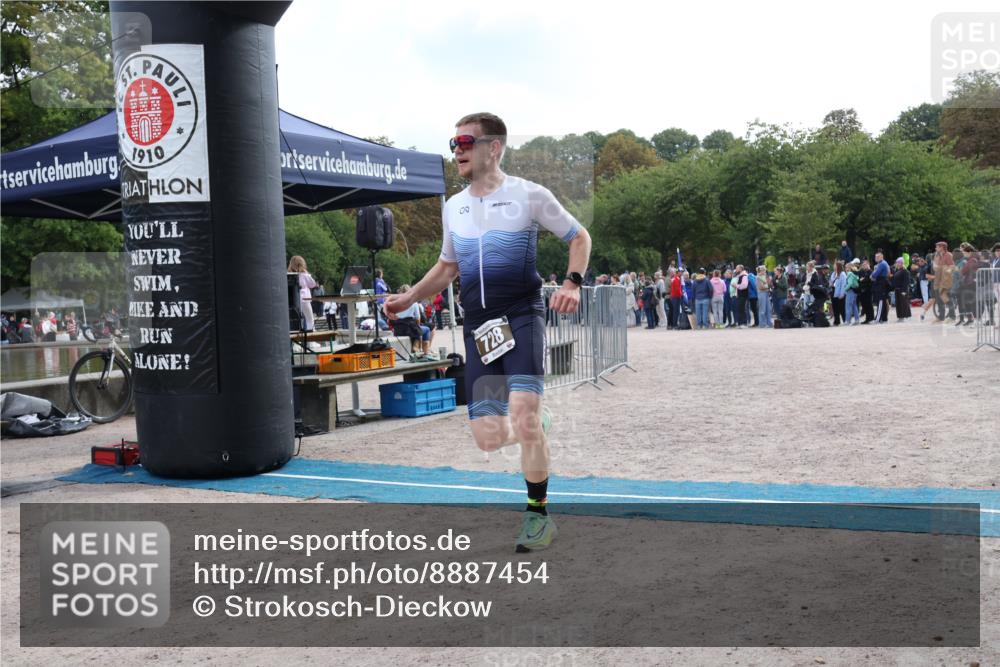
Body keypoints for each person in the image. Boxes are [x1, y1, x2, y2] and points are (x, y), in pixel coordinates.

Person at [384, 112, 591, 552]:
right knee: (489, 437)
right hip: (480, 327)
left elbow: (579, 237)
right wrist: (411, 298)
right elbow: (448, 267)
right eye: (453, 142)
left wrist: (572, 282)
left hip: (521, 314)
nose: (455, 150)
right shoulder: (453, 207)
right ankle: (535, 419)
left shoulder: (529, 195)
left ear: (492, 147)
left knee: (522, 415)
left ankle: (538, 518)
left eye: (464, 141)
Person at [392, 285, 438, 359]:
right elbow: (418, 318)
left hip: (398, 329)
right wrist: (418, 325)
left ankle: (420, 348)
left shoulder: (396, 303)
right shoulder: (413, 303)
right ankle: (425, 351)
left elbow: (392, 317)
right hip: (410, 327)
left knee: (418, 329)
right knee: (426, 329)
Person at [288, 255, 318, 332]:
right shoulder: (304, 274)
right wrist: (308, 274)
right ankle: (311, 341)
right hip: (305, 299)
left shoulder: (289, 275)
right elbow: (313, 284)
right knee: (309, 319)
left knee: (297, 321)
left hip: (295, 300)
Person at [870, 252, 891, 324]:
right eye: (875, 257)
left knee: (880, 301)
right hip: (882, 282)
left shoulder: (882, 264)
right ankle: (884, 319)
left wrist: (872, 276)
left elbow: (876, 273)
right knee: (883, 301)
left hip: (881, 283)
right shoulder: (883, 263)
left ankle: (877, 319)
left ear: (882, 257)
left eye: (878, 257)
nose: (876, 258)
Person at [892, 258, 912, 322]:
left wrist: (904, 291)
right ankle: (900, 316)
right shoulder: (897, 271)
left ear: (901, 263)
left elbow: (906, 282)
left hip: (902, 290)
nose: (897, 264)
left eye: (898, 262)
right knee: (898, 304)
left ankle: (905, 316)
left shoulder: (905, 271)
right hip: (897, 289)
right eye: (897, 263)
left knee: (904, 303)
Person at [830, 260, 847, 326]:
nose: (834, 266)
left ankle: (845, 320)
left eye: (835, 265)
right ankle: (836, 321)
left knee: (842, 307)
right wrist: (831, 283)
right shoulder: (833, 273)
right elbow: (831, 281)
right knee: (835, 308)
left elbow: (844, 284)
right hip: (833, 291)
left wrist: (842, 294)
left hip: (840, 292)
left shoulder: (842, 274)